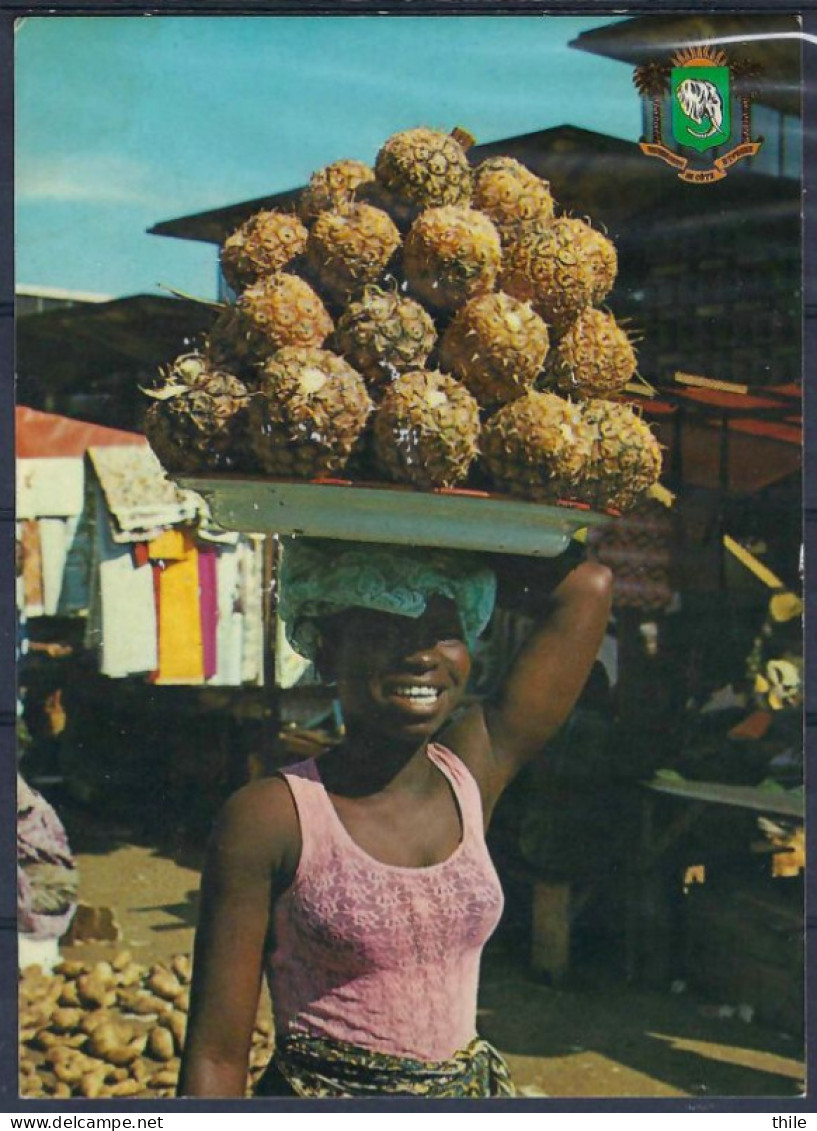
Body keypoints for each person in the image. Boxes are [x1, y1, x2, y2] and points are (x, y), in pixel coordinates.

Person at [179, 538, 612, 1097]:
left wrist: (440, 529)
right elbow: (215, 1057)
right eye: (386, 631)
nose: (422, 655)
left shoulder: (473, 773)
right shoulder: (274, 816)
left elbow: (587, 588)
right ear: (327, 647)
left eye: (444, 630)